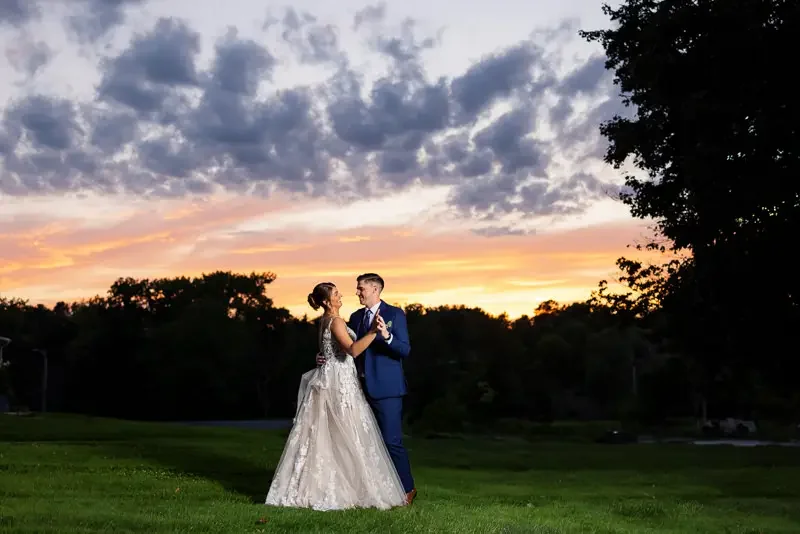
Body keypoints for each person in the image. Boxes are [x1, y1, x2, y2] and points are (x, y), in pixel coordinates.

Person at [264, 282, 407, 511]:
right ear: (326, 301)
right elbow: (352, 350)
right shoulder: (336, 321)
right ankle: (345, 489)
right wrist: (373, 332)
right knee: (347, 434)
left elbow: (330, 350)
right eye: (336, 294)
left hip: (337, 378)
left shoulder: (327, 321)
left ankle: (338, 484)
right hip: (339, 383)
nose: (341, 296)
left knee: (334, 435)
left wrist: (322, 356)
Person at [316, 273, 416, 504]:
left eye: (361, 288)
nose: (357, 292)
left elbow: (405, 350)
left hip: (387, 388)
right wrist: (324, 355)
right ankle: (377, 490)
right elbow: (345, 345)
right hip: (356, 388)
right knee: (367, 441)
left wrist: (386, 336)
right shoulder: (356, 316)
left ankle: (407, 489)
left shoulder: (394, 314)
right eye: (357, 288)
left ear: (375, 289)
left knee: (391, 441)